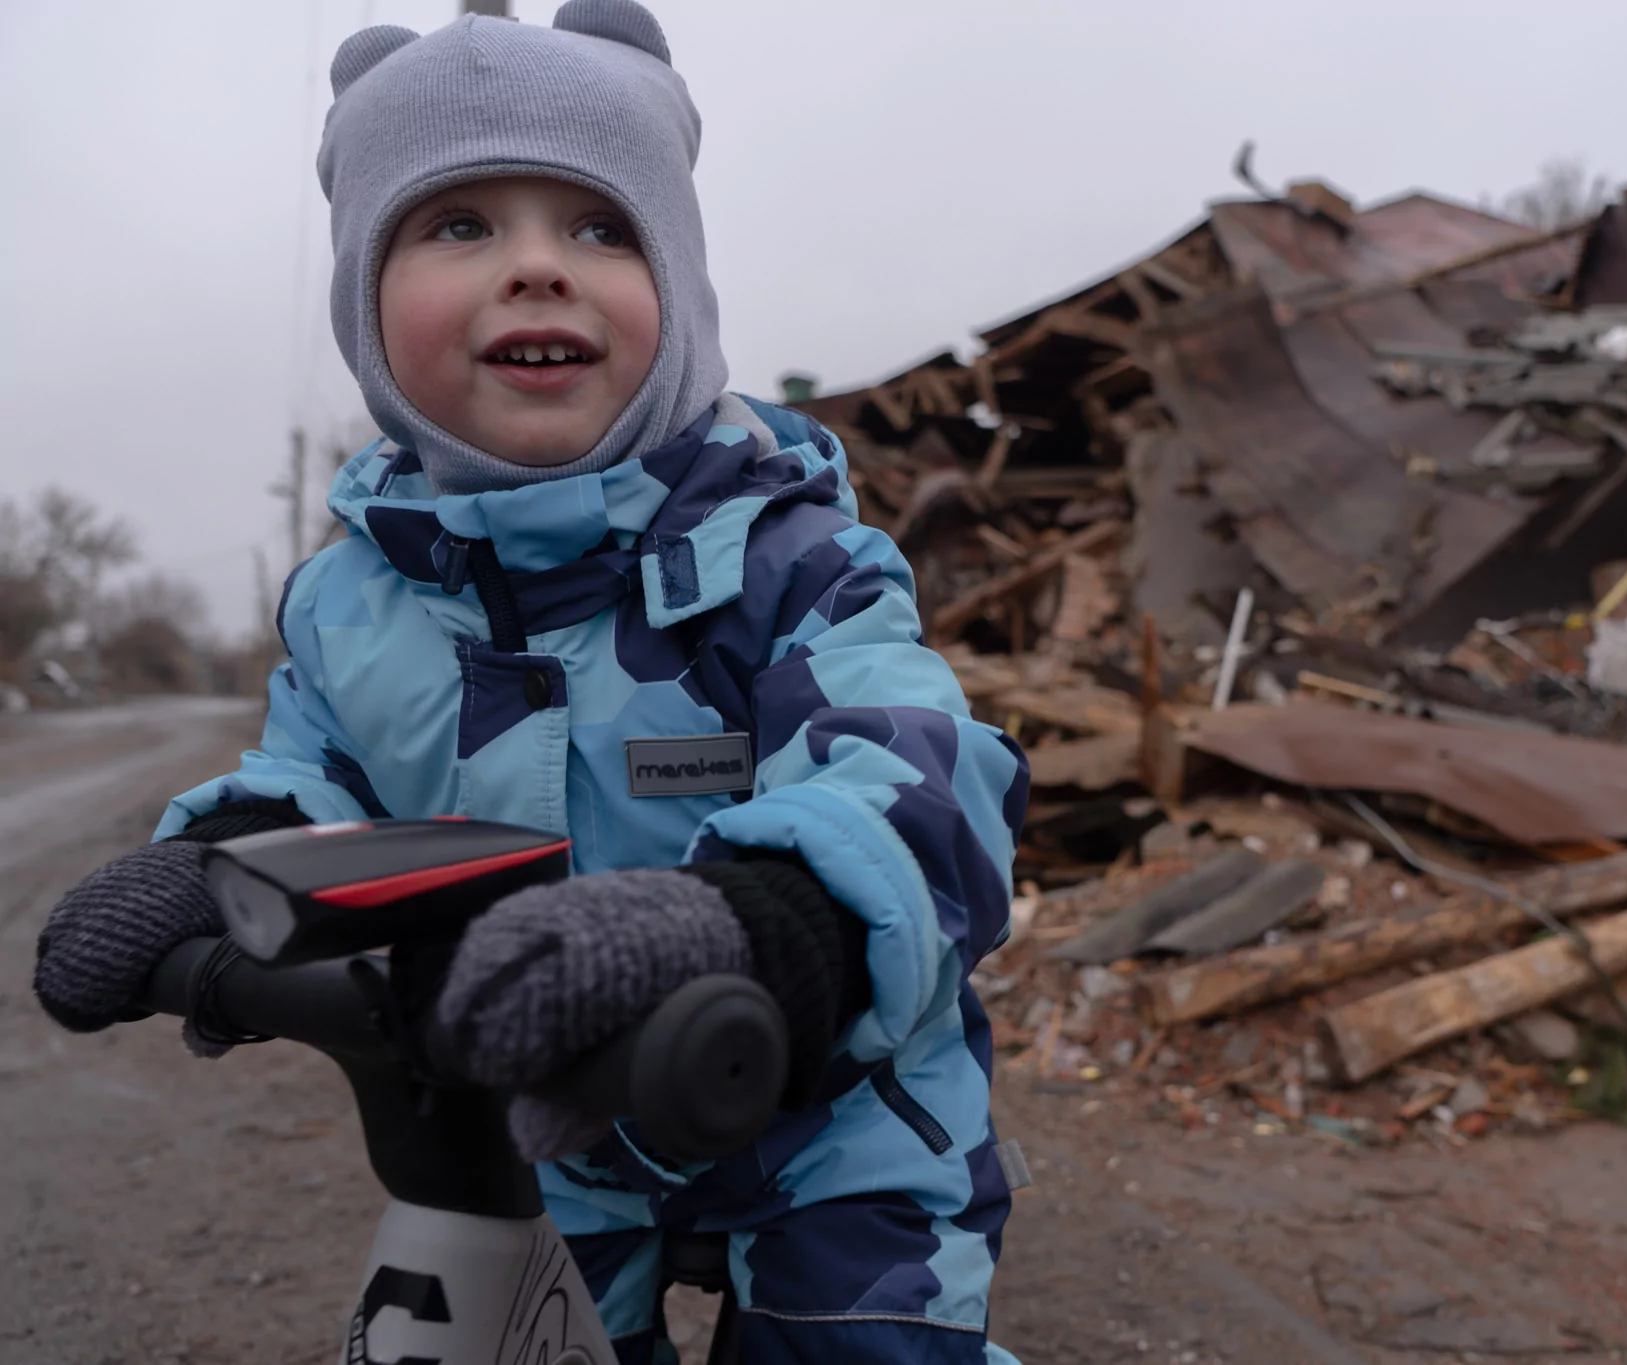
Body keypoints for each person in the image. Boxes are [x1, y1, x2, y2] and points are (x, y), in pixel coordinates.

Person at [29, 4, 1026, 1362]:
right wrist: (209, 867)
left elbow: (917, 782)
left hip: (832, 1116)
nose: (538, 268)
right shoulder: (347, 607)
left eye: (602, 228)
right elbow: (314, 786)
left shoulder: (798, 560)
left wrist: (762, 928)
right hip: (540, 1123)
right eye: (459, 226)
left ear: (678, 287)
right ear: (365, 307)